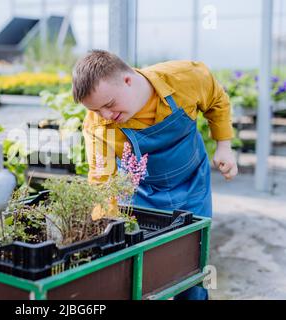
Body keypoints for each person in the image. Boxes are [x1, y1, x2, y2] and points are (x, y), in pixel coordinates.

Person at [73, 49, 238, 300]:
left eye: (108, 105)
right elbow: (101, 180)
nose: (106, 116)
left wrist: (224, 145)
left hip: (192, 183)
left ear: (128, 80)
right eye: (97, 111)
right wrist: (106, 227)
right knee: (142, 269)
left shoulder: (185, 78)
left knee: (191, 263)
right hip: (141, 192)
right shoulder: (99, 125)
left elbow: (216, 99)